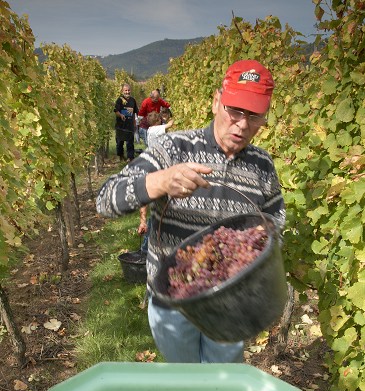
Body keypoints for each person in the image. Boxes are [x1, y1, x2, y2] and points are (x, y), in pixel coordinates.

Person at [97, 60, 285, 363]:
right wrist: (159, 182)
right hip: (175, 304)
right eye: (234, 110)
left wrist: (264, 247)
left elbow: (275, 218)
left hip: (232, 306)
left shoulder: (262, 165)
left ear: (264, 118)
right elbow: (105, 199)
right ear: (215, 102)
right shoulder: (174, 148)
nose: (241, 123)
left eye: (254, 115)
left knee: (222, 386)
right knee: (187, 387)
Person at [137, 111, 174, 253]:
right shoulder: (155, 130)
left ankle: (147, 248)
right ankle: (148, 249)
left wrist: (142, 220)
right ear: (158, 120)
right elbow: (169, 125)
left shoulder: (151, 132)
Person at [114, 83, 139, 162]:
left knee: (130, 143)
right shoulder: (119, 100)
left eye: (128, 90)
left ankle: (130, 158)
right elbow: (116, 111)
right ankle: (120, 156)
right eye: (126, 90)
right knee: (119, 142)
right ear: (122, 91)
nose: (127, 92)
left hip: (130, 125)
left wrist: (135, 123)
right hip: (120, 126)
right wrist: (121, 115)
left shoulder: (133, 100)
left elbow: (135, 112)